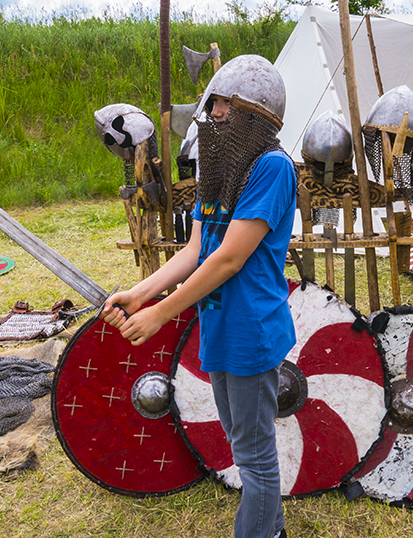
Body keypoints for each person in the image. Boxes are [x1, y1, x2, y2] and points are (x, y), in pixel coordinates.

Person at [102, 55, 296, 538]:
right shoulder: (221, 169)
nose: (215, 113)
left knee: (253, 455)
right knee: (243, 444)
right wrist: (140, 294)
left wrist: (162, 313)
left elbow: (229, 259)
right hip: (220, 325)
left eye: (225, 105)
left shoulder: (272, 168)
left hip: (251, 328)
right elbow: (196, 250)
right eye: (213, 104)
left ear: (256, 112)